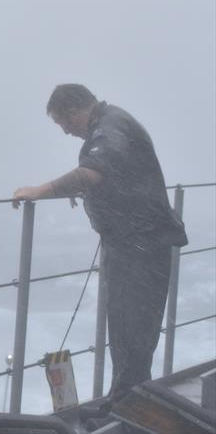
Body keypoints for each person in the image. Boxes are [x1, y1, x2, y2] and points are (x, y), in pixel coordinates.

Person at [13, 83, 187, 405]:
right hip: (141, 243)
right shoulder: (113, 121)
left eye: (63, 123)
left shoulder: (109, 127)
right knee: (132, 330)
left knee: (130, 331)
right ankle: (130, 401)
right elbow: (116, 176)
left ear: (75, 111)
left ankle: (125, 408)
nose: (65, 132)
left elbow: (92, 172)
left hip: (139, 247)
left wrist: (41, 190)